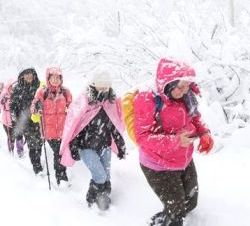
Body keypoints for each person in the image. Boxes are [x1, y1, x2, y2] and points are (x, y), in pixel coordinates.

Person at [133, 58, 214, 226]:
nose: (185, 91)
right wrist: (176, 141)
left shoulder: (186, 96)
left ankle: (165, 218)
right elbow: (143, 136)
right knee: (177, 211)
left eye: (187, 86)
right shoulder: (147, 98)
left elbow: (195, 116)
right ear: (168, 83)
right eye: (181, 87)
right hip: (157, 164)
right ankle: (169, 219)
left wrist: (204, 132)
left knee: (190, 202)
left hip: (183, 159)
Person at [59, 69, 126, 208]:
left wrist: (121, 145)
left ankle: (103, 200)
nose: (103, 88)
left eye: (105, 85)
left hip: (105, 146)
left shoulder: (110, 102)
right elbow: (76, 126)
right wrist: (74, 146)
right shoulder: (85, 102)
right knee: (100, 176)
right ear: (93, 85)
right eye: (100, 85)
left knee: (106, 176)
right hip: (86, 147)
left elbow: (113, 125)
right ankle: (91, 198)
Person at [30, 67, 72, 185]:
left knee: (61, 152)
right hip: (49, 130)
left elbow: (72, 107)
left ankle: (61, 175)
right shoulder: (42, 92)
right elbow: (33, 107)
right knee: (58, 152)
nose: (55, 80)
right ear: (48, 79)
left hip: (63, 130)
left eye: (58, 78)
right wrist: (37, 106)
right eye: (53, 78)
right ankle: (61, 177)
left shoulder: (65, 92)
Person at [10, 67, 44, 175]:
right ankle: (37, 167)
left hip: (39, 120)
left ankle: (37, 162)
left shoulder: (40, 86)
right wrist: (16, 117)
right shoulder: (18, 89)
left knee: (39, 143)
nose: (29, 76)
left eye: (30, 73)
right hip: (26, 121)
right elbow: (13, 105)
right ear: (22, 76)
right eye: (26, 74)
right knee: (32, 143)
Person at [0, 79, 22, 156]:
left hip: (18, 119)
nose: (13, 89)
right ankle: (11, 150)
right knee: (10, 136)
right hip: (7, 119)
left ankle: (20, 151)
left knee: (19, 135)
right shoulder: (5, 94)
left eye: (14, 87)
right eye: (11, 87)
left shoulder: (19, 95)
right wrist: (2, 100)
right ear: (8, 87)